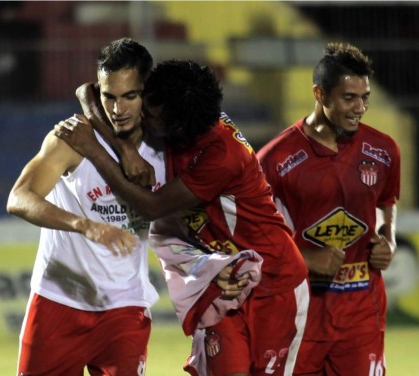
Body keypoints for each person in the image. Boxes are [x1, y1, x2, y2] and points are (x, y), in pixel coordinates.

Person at [55, 59, 310, 376]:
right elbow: (88, 90)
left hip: (275, 284)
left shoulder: (221, 156)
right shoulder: (177, 106)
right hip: (224, 282)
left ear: (178, 129)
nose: (142, 118)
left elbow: (151, 207)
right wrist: (126, 149)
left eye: (152, 117)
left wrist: (96, 151)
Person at [6, 38, 166, 375]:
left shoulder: (165, 148)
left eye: (129, 97)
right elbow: (19, 198)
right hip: (58, 300)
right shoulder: (72, 138)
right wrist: (85, 225)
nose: (117, 109)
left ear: (146, 93)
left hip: (125, 306)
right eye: (109, 97)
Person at [256, 42, 401, 375]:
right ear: (319, 94)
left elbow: (385, 201)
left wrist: (388, 238)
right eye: (349, 98)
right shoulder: (274, 160)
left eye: (365, 98)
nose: (359, 108)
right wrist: (306, 259)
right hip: (300, 315)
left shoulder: (383, 149)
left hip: (362, 312)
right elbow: (254, 235)